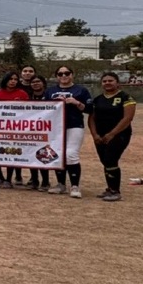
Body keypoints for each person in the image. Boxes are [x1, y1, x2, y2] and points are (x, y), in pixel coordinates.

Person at [44, 65, 93, 198]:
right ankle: (60, 184)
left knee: (71, 154)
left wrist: (76, 103)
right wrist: (53, 103)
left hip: (74, 125)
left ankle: (75, 185)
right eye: (60, 74)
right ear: (56, 76)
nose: (64, 76)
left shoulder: (81, 90)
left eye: (67, 73)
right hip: (55, 127)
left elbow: (89, 109)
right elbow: (43, 110)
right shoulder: (50, 91)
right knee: (56, 154)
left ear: (72, 74)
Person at [88, 72, 136, 202]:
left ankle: (115, 191)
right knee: (105, 161)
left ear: (117, 83)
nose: (107, 83)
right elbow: (92, 118)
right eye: (105, 81)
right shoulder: (98, 99)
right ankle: (109, 188)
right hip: (100, 136)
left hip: (119, 135)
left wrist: (112, 134)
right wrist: (95, 135)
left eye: (111, 80)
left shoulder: (125, 97)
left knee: (111, 159)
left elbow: (128, 118)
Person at [0, 72, 29, 189]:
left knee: (11, 152)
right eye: (10, 79)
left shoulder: (22, 94)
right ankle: (0, 177)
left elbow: (30, 110)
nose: (13, 81)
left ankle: (8, 179)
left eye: (15, 79)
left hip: (15, 128)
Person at [25, 76, 52, 192]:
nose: (35, 84)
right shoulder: (28, 96)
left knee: (44, 153)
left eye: (38, 81)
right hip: (31, 128)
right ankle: (34, 180)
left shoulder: (50, 96)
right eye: (33, 82)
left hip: (46, 128)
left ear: (43, 83)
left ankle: (45, 181)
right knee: (31, 154)